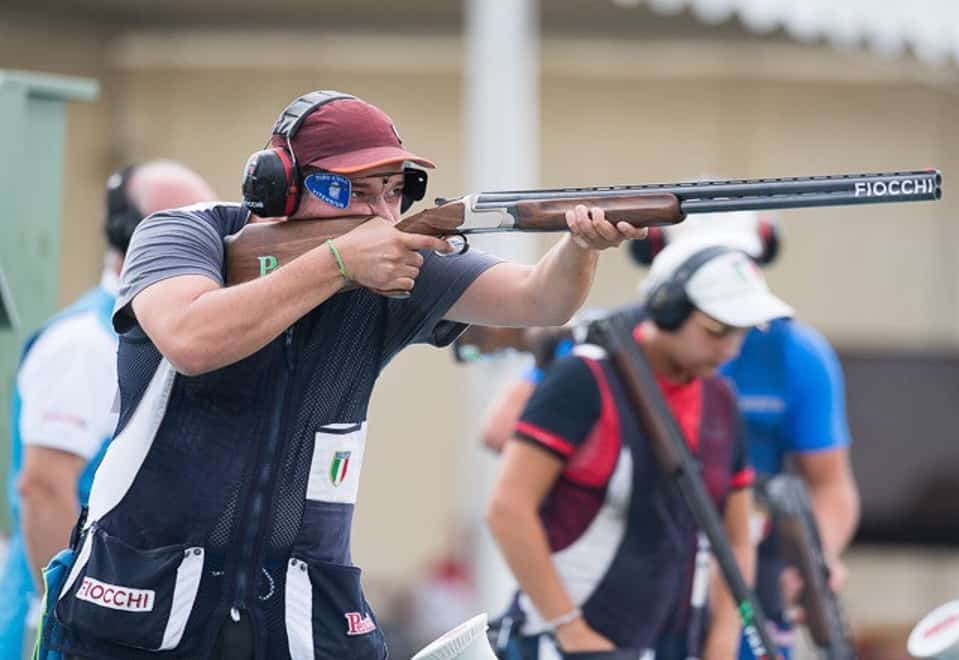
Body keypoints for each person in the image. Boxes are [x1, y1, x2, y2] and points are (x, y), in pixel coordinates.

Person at [38, 90, 645, 660]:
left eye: (396, 190)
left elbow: (538, 301)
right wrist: (336, 264)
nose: (381, 211)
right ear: (278, 186)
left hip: (301, 617)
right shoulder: (184, 233)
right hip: (137, 611)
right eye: (355, 190)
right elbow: (192, 340)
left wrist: (579, 245)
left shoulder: (394, 262)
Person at [486, 238, 796, 659]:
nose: (729, 348)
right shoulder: (585, 378)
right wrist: (569, 629)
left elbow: (736, 537)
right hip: (568, 648)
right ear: (667, 310)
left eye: (741, 331)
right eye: (716, 330)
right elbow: (508, 509)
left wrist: (722, 640)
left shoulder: (721, 402)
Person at [0, 161, 216, 659]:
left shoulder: (157, 333)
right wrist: (67, 620)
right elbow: (44, 488)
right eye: (181, 224)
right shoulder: (84, 343)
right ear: (133, 237)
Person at [630, 215, 860, 660]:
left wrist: (815, 559)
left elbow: (830, 482)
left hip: (753, 565)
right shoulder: (615, 348)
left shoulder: (798, 352)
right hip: (641, 562)